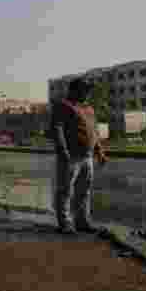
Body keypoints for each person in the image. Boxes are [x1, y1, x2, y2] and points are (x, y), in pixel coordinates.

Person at [50, 77, 108, 235]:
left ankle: (82, 222)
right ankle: (65, 223)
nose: (88, 93)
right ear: (74, 90)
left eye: (88, 90)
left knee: (84, 191)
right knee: (65, 190)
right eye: (85, 90)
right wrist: (63, 150)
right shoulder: (63, 106)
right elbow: (57, 129)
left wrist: (99, 151)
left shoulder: (89, 109)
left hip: (87, 157)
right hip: (71, 157)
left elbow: (94, 132)